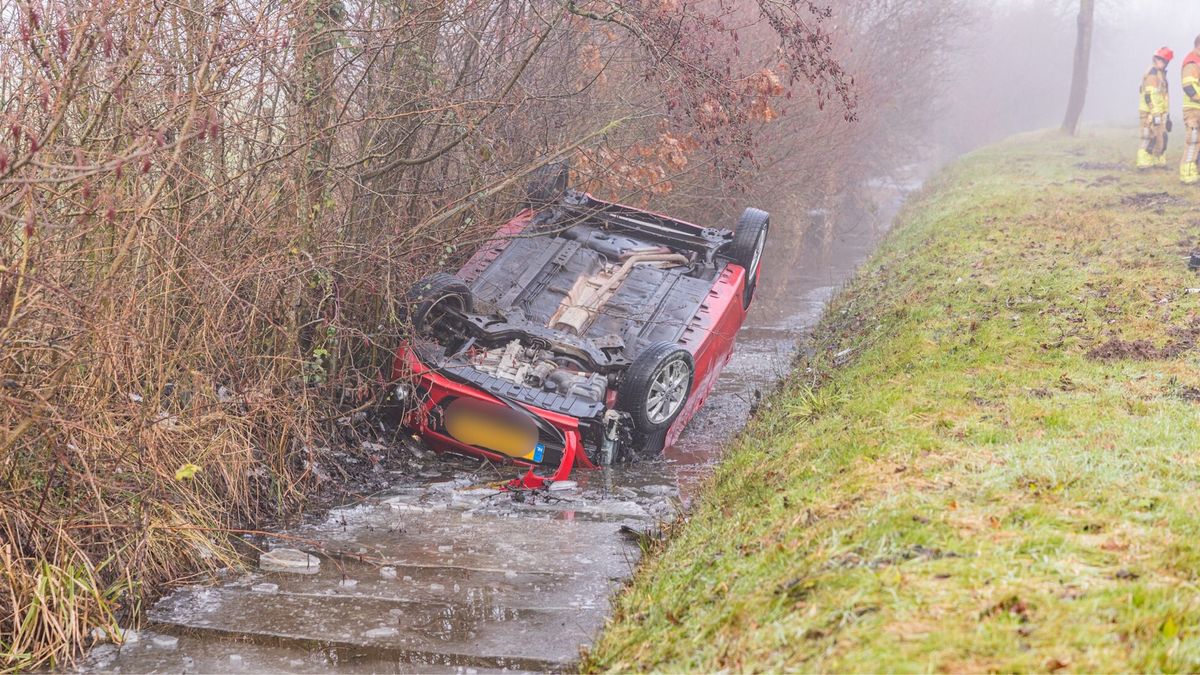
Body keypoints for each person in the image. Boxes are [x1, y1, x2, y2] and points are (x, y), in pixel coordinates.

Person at [1138, 47, 1173, 169]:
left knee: (1161, 137)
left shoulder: (1161, 74)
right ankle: (1143, 163)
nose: (1161, 63)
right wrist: (1155, 114)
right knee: (1148, 137)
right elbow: (1150, 95)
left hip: (1159, 112)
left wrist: (1166, 116)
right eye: (1160, 60)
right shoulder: (1152, 73)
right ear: (1155, 58)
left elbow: (1163, 96)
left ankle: (1158, 161)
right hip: (1150, 112)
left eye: (1164, 61)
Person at [1182, 37, 1200, 184]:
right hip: (1193, 110)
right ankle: (1187, 174)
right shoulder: (1191, 63)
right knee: (1193, 141)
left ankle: (1194, 170)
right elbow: (1189, 88)